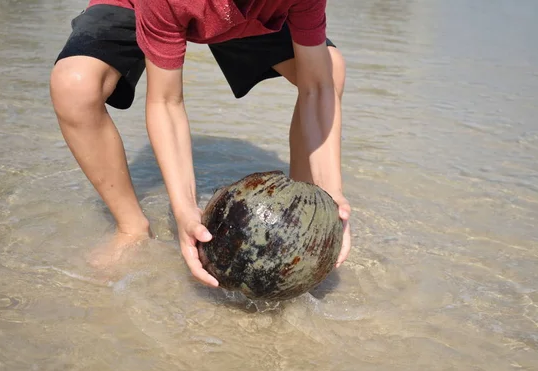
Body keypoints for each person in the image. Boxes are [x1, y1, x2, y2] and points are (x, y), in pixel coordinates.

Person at [50, 0, 351, 288]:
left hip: (245, 18)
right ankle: (131, 227)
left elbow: (318, 85)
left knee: (330, 67)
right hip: (144, 5)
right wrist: (184, 210)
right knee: (74, 85)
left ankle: (301, 210)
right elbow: (166, 101)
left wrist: (330, 195)